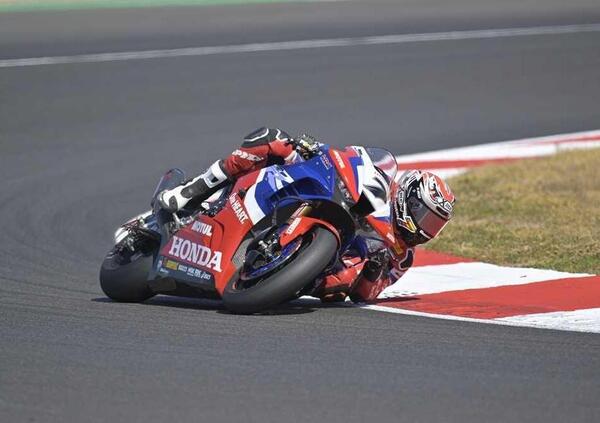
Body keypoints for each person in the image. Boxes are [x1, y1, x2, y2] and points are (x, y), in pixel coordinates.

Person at [158, 127, 455, 303]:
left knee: (342, 283)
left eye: (435, 225)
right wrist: (316, 148)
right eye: (425, 216)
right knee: (272, 139)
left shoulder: (402, 256)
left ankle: (281, 278)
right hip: (319, 195)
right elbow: (352, 159)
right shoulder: (382, 185)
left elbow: (367, 294)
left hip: (325, 264)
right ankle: (192, 190)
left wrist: (375, 269)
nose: (425, 229)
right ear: (408, 197)